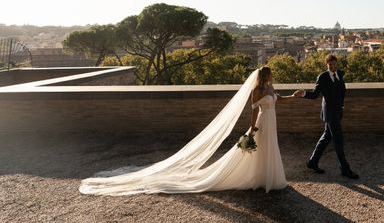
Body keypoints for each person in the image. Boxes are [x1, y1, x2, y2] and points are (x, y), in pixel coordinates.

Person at [79, 66, 294, 195]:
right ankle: (260, 178)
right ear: (265, 76)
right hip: (263, 122)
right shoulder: (257, 90)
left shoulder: (271, 89)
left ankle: (268, 178)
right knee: (260, 148)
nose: (271, 77)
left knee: (270, 148)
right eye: (269, 75)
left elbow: (277, 100)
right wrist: (253, 128)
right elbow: (253, 110)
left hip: (272, 119)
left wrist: (294, 96)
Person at [294, 54, 359, 179]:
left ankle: (312, 162)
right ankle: (345, 169)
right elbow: (314, 95)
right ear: (327, 65)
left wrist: (342, 106)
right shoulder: (322, 77)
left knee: (326, 138)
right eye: (330, 65)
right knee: (338, 140)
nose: (333, 67)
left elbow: (342, 92)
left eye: (334, 64)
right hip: (330, 113)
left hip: (338, 111)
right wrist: (303, 93)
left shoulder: (340, 74)